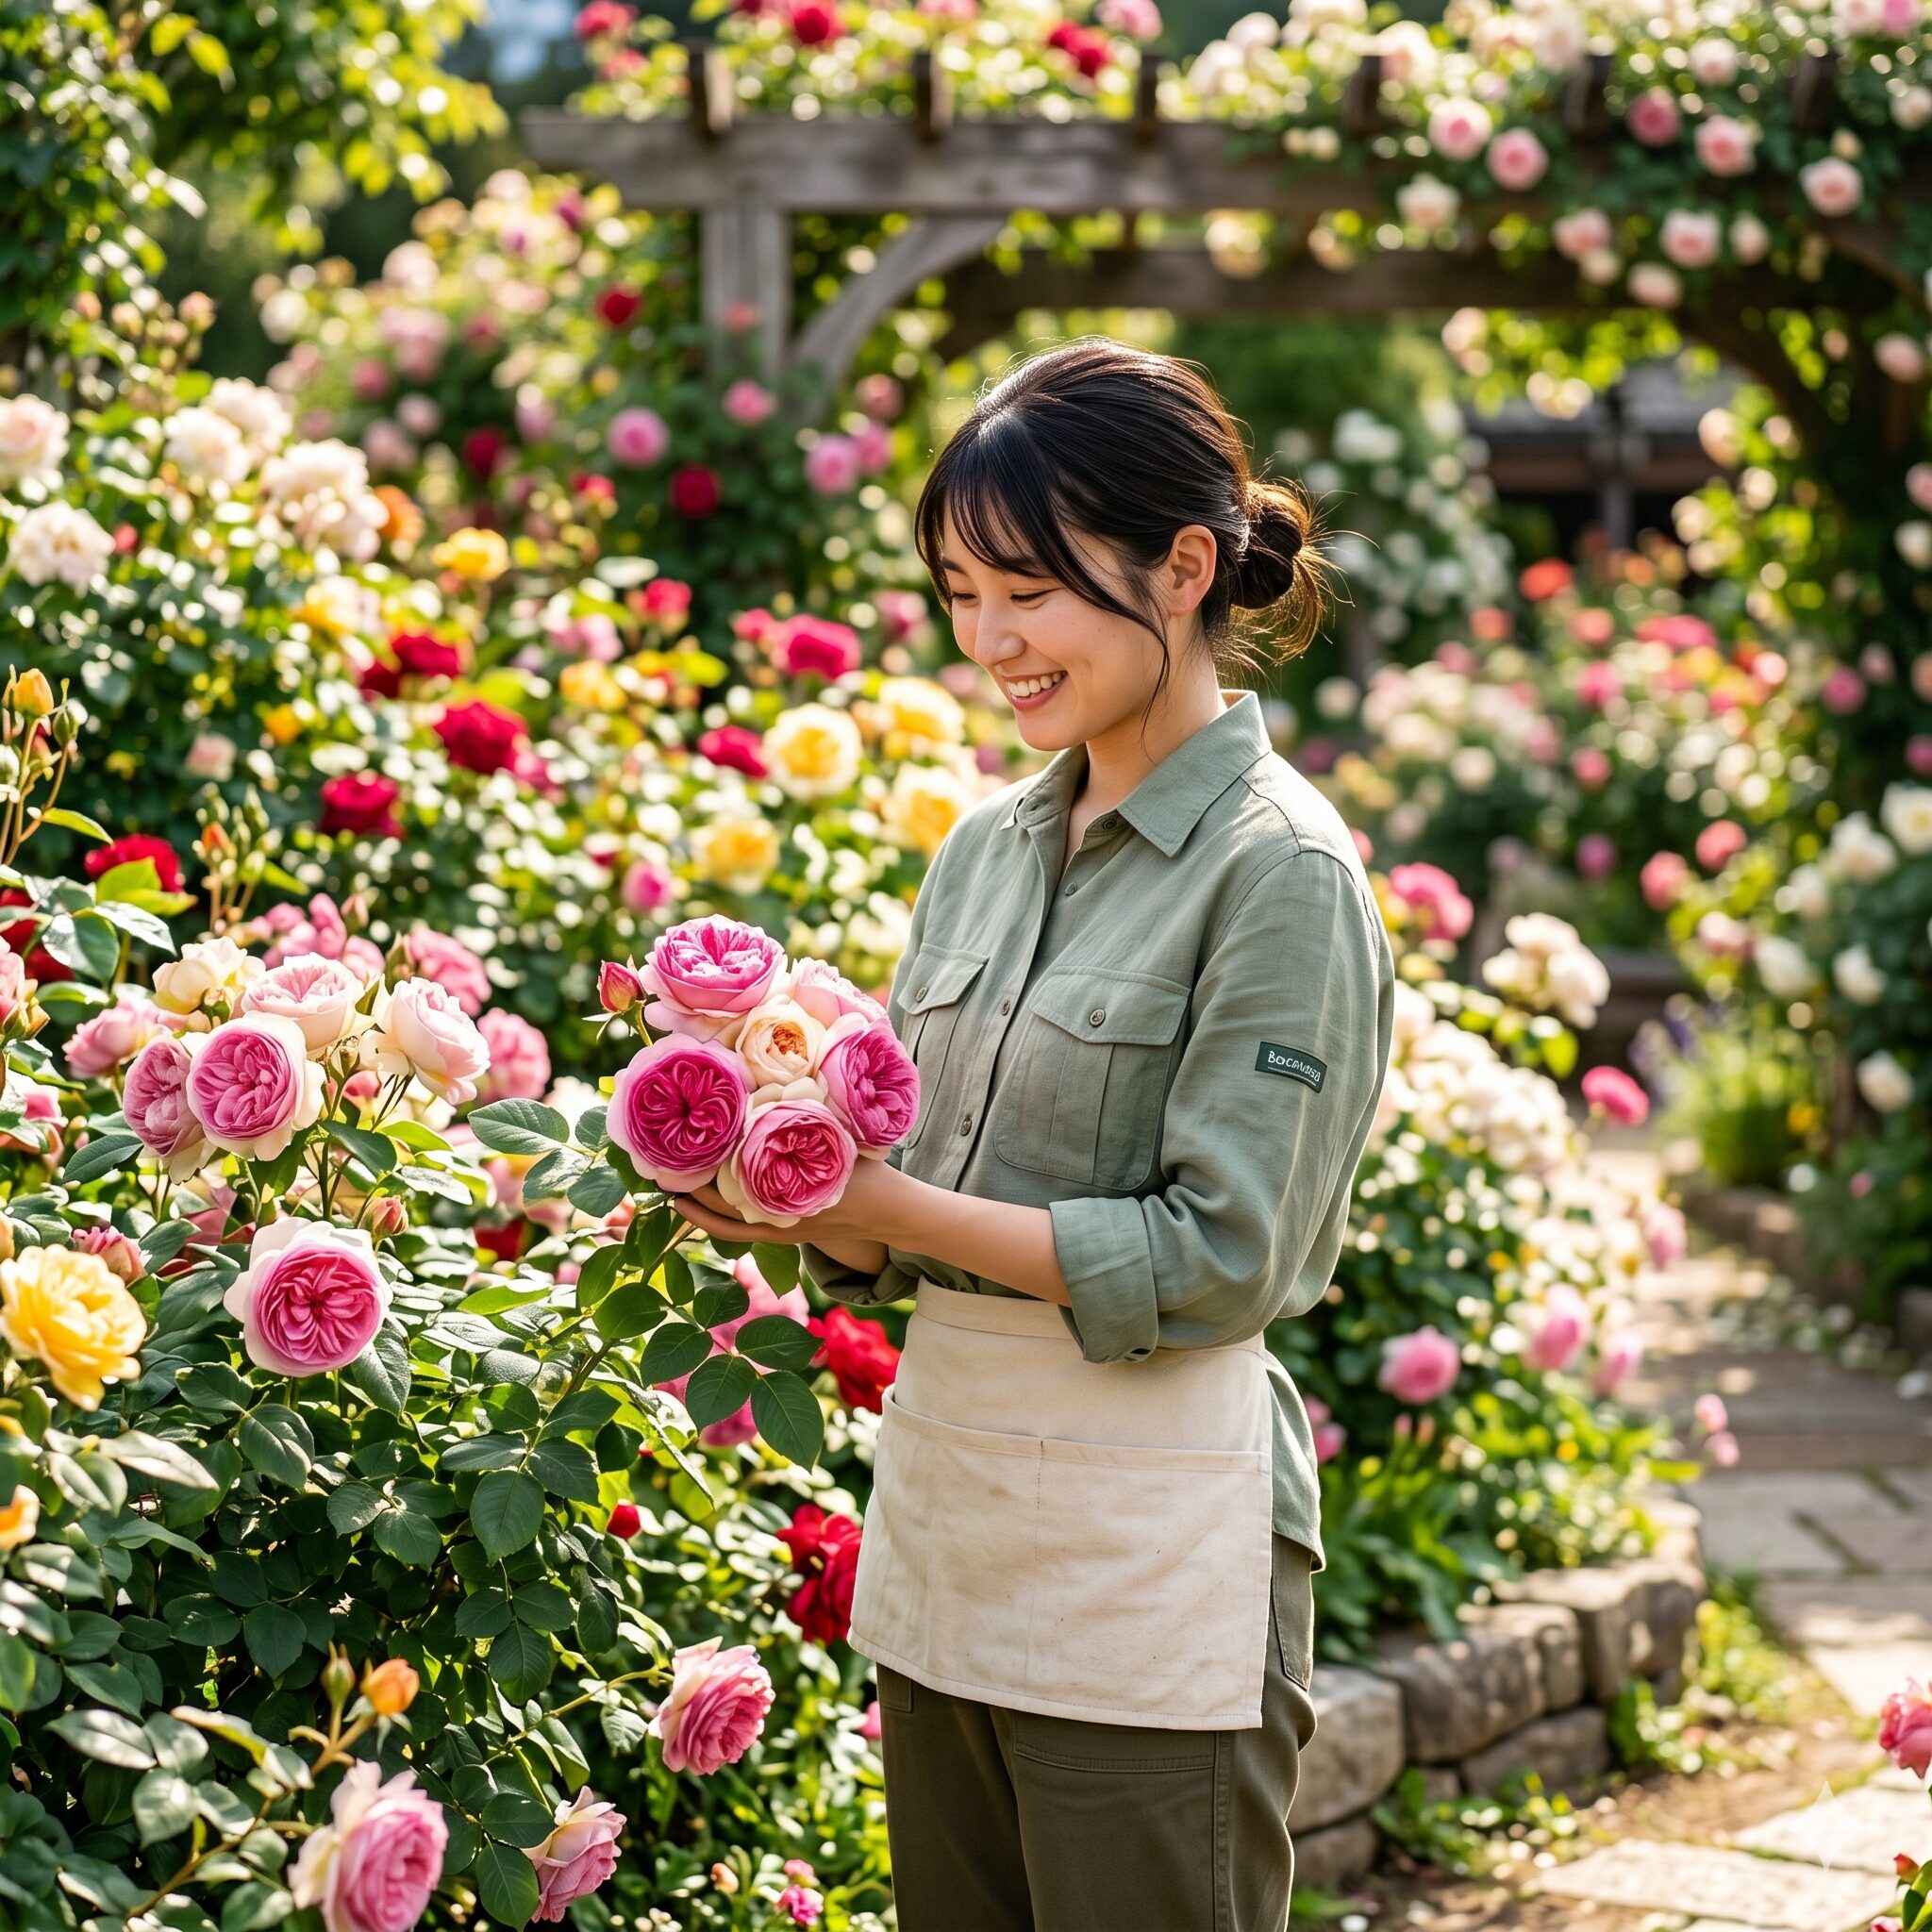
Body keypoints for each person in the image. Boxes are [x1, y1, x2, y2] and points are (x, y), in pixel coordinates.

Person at [669, 336, 1396, 1931]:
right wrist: (773, 1191)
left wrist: (891, 1208)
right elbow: (918, 1198)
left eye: (1032, 591)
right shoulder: (985, 852)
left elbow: (1223, 1256)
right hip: (953, 1518)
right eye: (958, 592)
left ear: (1186, 567)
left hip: (1154, 1544)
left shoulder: (1280, 874)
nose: (991, 641)